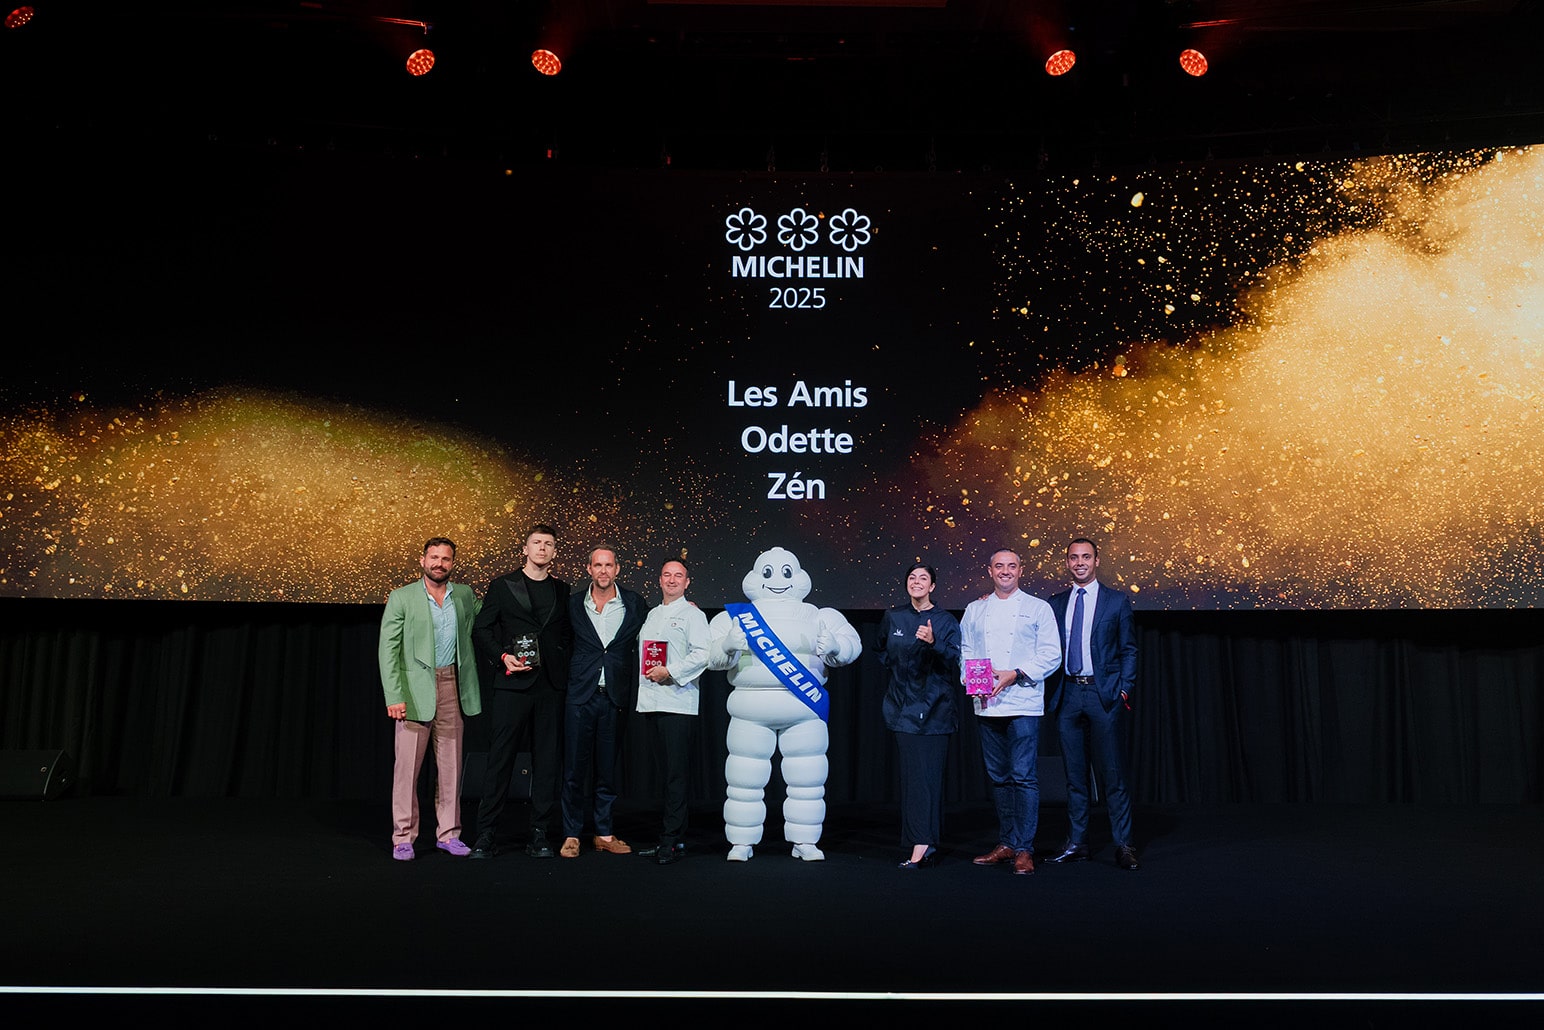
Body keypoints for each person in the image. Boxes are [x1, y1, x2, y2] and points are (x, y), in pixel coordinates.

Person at [706, 546, 863, 862]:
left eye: (786, 571)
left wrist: (835, 647)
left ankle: (805, 841)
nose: (778, 579)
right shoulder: (734, 618)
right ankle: (741, 842)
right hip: (750, 710)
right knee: (743, 781)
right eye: (768, 571)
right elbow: (709, 657)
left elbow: (853, 645)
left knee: (807, 781)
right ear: (754, 577)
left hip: (804, 711)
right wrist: (727, 645)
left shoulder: (821, 616)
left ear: (800, 577)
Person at [469, 523, 571, 859]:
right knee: (500, 760)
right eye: (536, 543)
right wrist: (502, 657)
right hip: (513, 683)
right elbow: (482, 629)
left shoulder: (562, 590)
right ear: (525, 549)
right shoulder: (502, 585)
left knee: (546, 760)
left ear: (555, 552)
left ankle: (540, 833)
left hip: (550, 687)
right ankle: (485, 834)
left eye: (549, 544)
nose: (542, 548)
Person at [958, 548, 1062, 876]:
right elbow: (965, 650)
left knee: (1024, 777)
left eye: (1011, 566)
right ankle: (1006, 842)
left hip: (1023, 703)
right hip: (987, 703)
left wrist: (1014, 673)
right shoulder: (975, 609)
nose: (1005, 571)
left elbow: (1051, 654)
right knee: (999, 777)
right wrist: (970, 678)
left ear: (1021, 570)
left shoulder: (1038, 608)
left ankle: (1024, 849)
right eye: (999, 566)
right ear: (989, 570)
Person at [377, 537, 483, 861]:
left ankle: (449, 835)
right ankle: (403, 837)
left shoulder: (464, 595)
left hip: (452, 684)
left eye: (446, 558)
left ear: (453, 563)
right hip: (413, 690)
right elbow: (388, 650)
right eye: (434, 557)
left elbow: (487, 620)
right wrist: (395, 695)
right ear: (422, 560)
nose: (439, 563)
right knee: (408, 769)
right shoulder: (402, 597)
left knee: (450, 767)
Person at [1047, 538, 1141, 871]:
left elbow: (1129, 649)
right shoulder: (1055, 603)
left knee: (1113, 775)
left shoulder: (1116, 601)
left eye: (1086, 557)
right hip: (1068, 694)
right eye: (1074, 557)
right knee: (1075, 778)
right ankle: (1077, 843)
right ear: (1067, 562)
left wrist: (1124, 690)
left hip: (1104, 695)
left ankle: (1124, 844)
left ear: (1096, 560)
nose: (1080, 562)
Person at [560, 544, 647, 858]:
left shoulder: (635, 604)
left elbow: (657, 631)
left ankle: (604, 833)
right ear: (589, 570)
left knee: (607, 770)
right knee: (573, 770)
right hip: (579, 697)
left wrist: (684, 607)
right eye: (597, 565)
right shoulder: (571, 604)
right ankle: (571, 835)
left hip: (614, 697)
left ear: (617, 570)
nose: (603, 571)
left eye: (608, 565)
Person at [876, 562, 962, 869]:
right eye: (912, 577)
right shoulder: (893, 616)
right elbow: (882, 650)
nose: (916, 582)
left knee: (927, 778)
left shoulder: (944, 620)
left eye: (923, 578)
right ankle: (922, 842)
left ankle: (922, 844)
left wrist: (933, 642)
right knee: (913, 778)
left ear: (933, 586)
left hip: (936, 709)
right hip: (903, 709)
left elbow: (956, 657)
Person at [634, 559, 711, 865]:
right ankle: (671, 837)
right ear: (659, 580)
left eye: (678, 575)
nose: (672, 579)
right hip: (652, 703)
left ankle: (672, 839)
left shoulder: (693, 615)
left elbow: (703, 654)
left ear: (687, 582)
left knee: (676, 775)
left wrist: (671, 671)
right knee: (665, 775)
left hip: (678, 703)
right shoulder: (652, 614)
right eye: (667, 574)